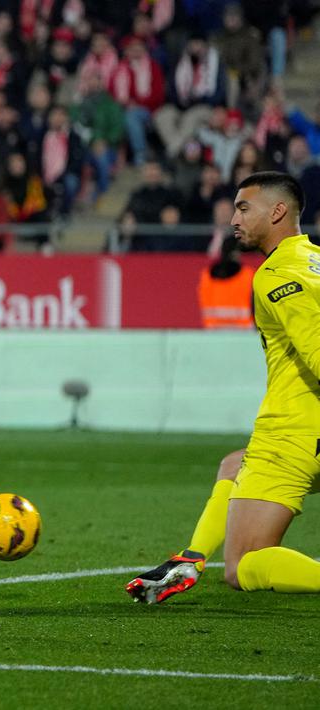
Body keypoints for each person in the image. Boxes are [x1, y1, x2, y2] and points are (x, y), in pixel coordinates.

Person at [127, 171, 320, 603]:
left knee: (244, 566)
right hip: (307, 431)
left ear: (278, 211)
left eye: (243, 208)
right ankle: (191, 558)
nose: (233, 218)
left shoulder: (276, 277)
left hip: (293, 434)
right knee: (234, 465)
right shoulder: (314, 261)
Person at [197, 235, 254, 329]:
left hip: (213, 330)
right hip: (243, 332)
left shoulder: (206, 275)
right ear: (236, 253)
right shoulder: (248, 275)